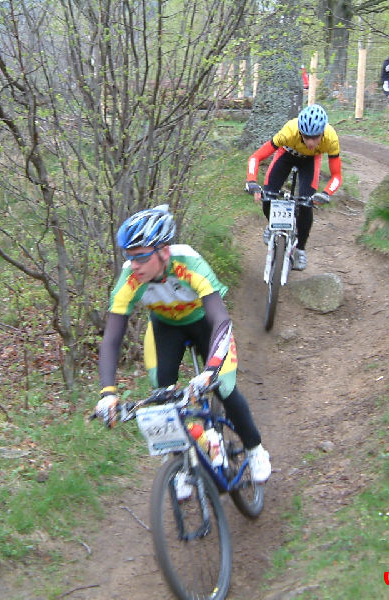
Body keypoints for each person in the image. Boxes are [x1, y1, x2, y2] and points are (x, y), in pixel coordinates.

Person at [95, 205, 272, 486]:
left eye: (141, 257)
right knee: (162, 397)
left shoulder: (189, 263)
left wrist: (212, 369)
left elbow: (220, 318)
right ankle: (180, 461)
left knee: (224, 388)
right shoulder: (130, 277)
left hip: (205, 324)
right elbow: (112, 337)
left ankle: (254, 449)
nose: (134, 264)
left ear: (163, 252)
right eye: (129, 257)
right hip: (165, 328)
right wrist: (107, 392)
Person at [244, 103, 341, 271]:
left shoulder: (331, 138)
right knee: (268, 196)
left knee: (306, 205)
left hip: (310, 162)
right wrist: (252, 181)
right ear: (300, 132)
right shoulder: (289, 131)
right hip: (287, 155)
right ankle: (273, 223)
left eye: (315, 137)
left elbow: (337, 176)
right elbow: (256, 157)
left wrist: (326, 193)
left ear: (323, 133)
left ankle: (300, 249)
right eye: (306, 137)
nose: (310, 142)